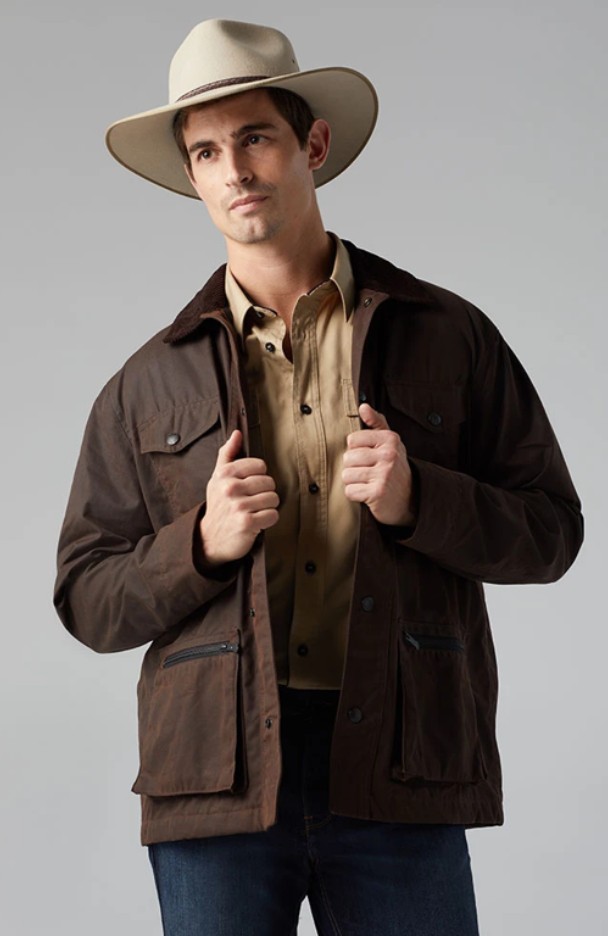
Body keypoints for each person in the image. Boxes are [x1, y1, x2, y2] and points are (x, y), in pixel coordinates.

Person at [53, 18, 583, 936]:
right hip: (215, 784)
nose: (234, 170)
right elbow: (86, 597)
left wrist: (421, 500)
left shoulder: (447, 336)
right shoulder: (145, 381)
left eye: (255, 137)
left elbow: (552, 531)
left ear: (315, 144)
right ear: (192, 176)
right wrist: (199, 545)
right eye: (206, 152)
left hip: (397, 762)